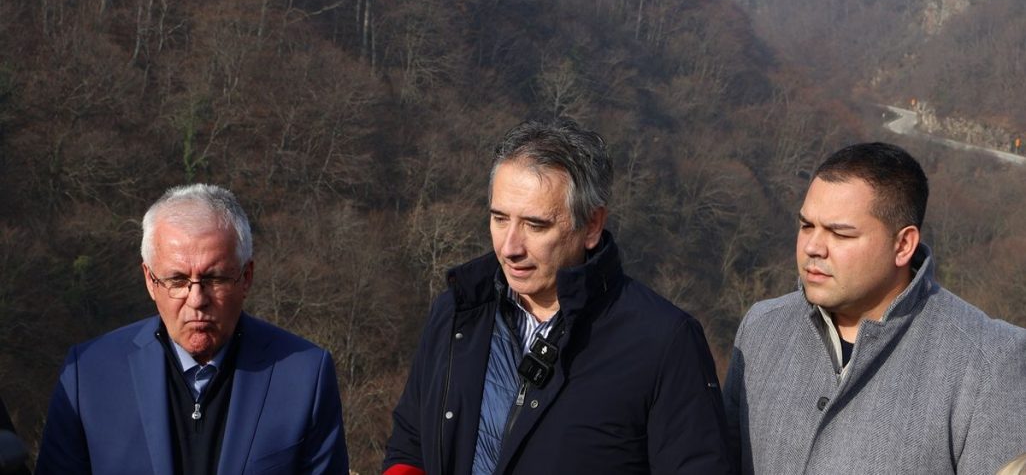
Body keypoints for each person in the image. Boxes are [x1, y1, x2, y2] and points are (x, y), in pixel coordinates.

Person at [383, 120, 732, 474]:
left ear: (592, 225)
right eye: (500, 219)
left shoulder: (664, 343)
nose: (510, 247)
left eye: (535, 225)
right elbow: (411, 443)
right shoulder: (457, 312)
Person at [723, 142, 1026, 474]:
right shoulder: (762, 328)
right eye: (807, 226)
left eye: (840, 234)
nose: (812, 247)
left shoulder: (989, 362)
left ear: (903, 245)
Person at [36, 184, 348, 474]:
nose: (196, 299)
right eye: (177, 280)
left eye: (214, 278)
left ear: (246, 277)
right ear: (150, 281)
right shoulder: (89, 374)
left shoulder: (305, 375)